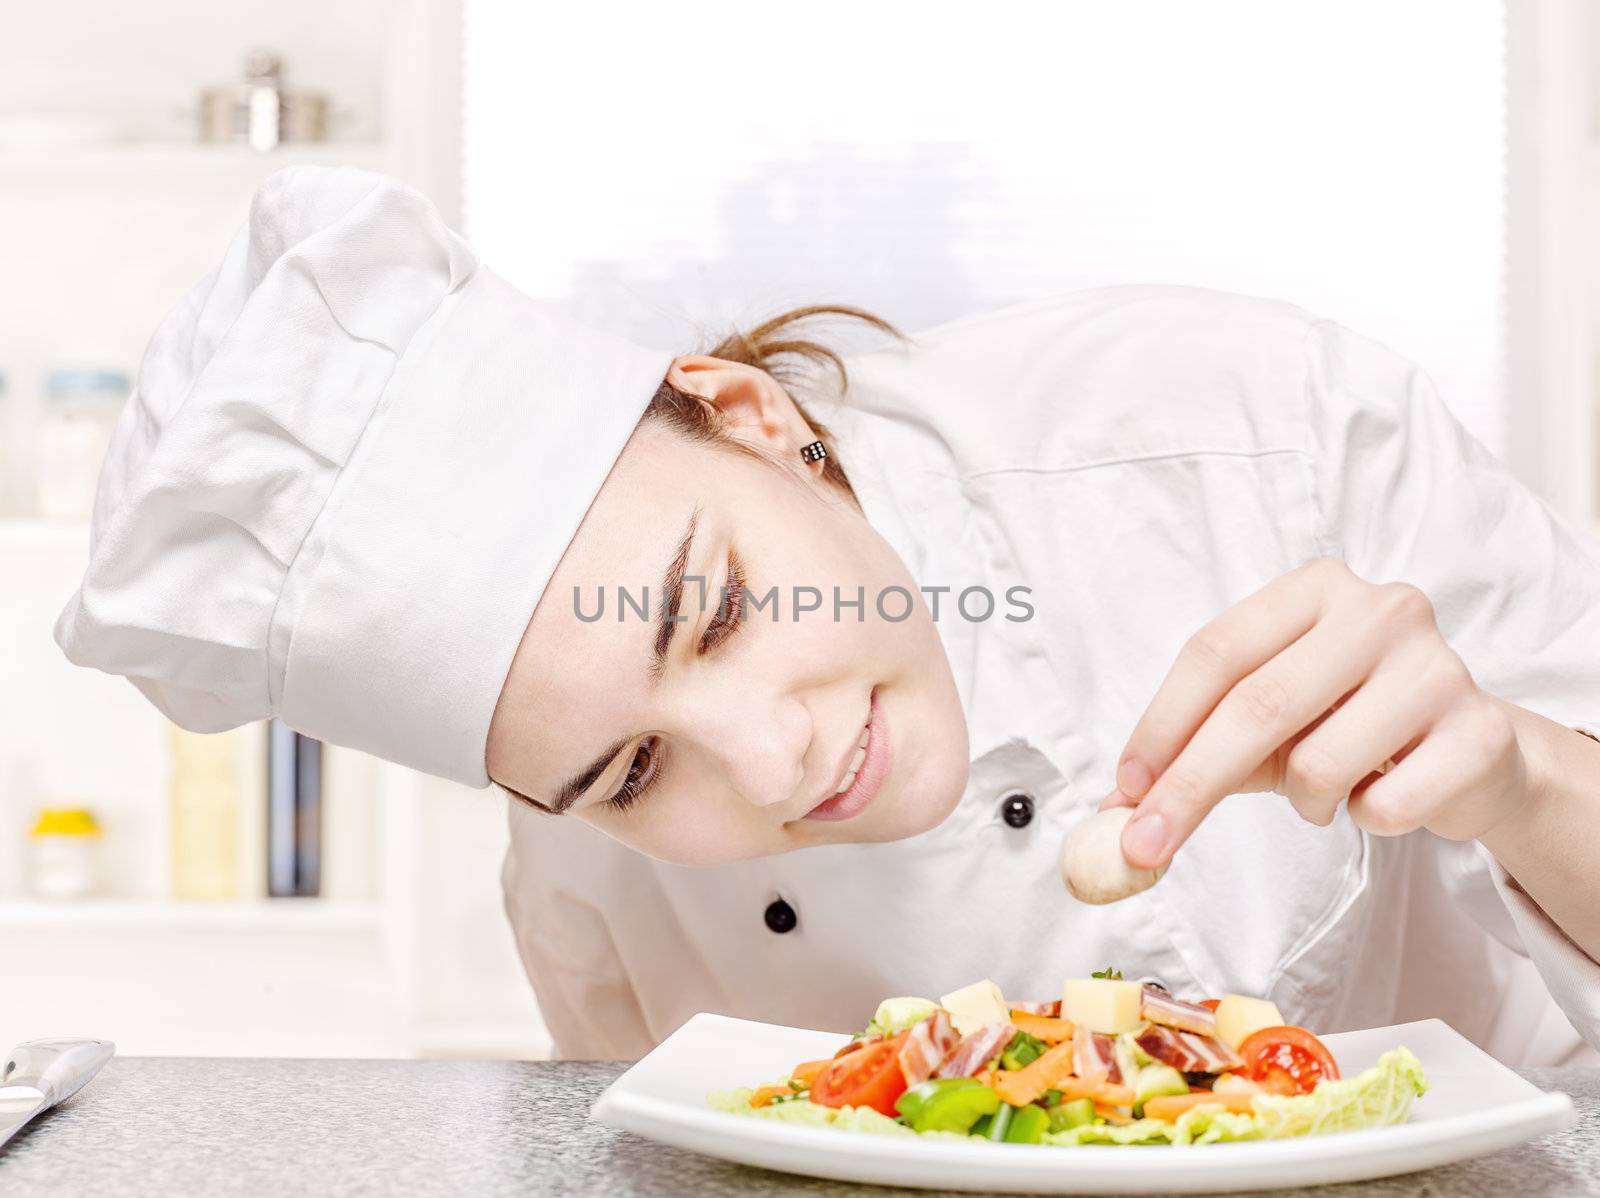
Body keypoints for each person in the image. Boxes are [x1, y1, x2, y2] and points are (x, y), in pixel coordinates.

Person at [57, 167, 1600, 1068]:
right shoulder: (580, 882)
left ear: (747, 414)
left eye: (714, 611)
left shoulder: (1245, 431)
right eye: (631, 773)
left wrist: (1523, 778)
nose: (772, 759)